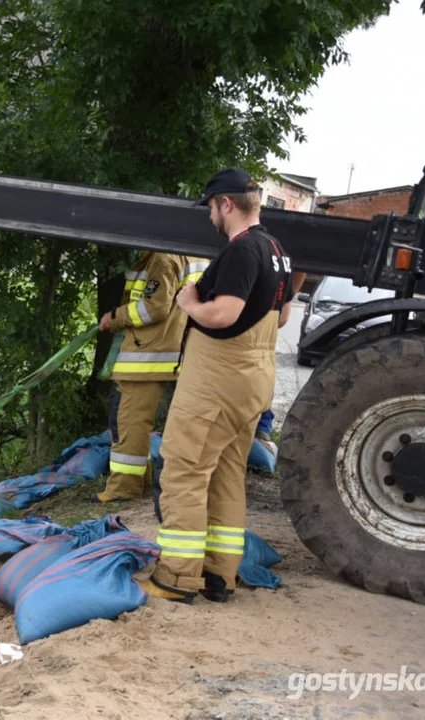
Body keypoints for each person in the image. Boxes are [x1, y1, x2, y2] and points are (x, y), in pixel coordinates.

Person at [140, 168, 294, 604]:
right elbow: (281, 317)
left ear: (226, 203)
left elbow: (223, 314)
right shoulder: (277, 251)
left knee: (185, 471)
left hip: (218, 380)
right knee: (227, 475)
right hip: (253, 378)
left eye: (210, 206)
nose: (209, 214)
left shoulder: (243, 250)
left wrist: (188, 300)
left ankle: (176, 577)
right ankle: (219, 576)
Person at [96, 250, 208, 502]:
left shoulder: (163, 258)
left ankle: (124, 488)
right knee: (136, 422)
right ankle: (139, 482)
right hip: (171, 352)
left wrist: (115, 317)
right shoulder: (194, 253)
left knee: (128, 422)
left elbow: (154, 308)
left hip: (147, 356)